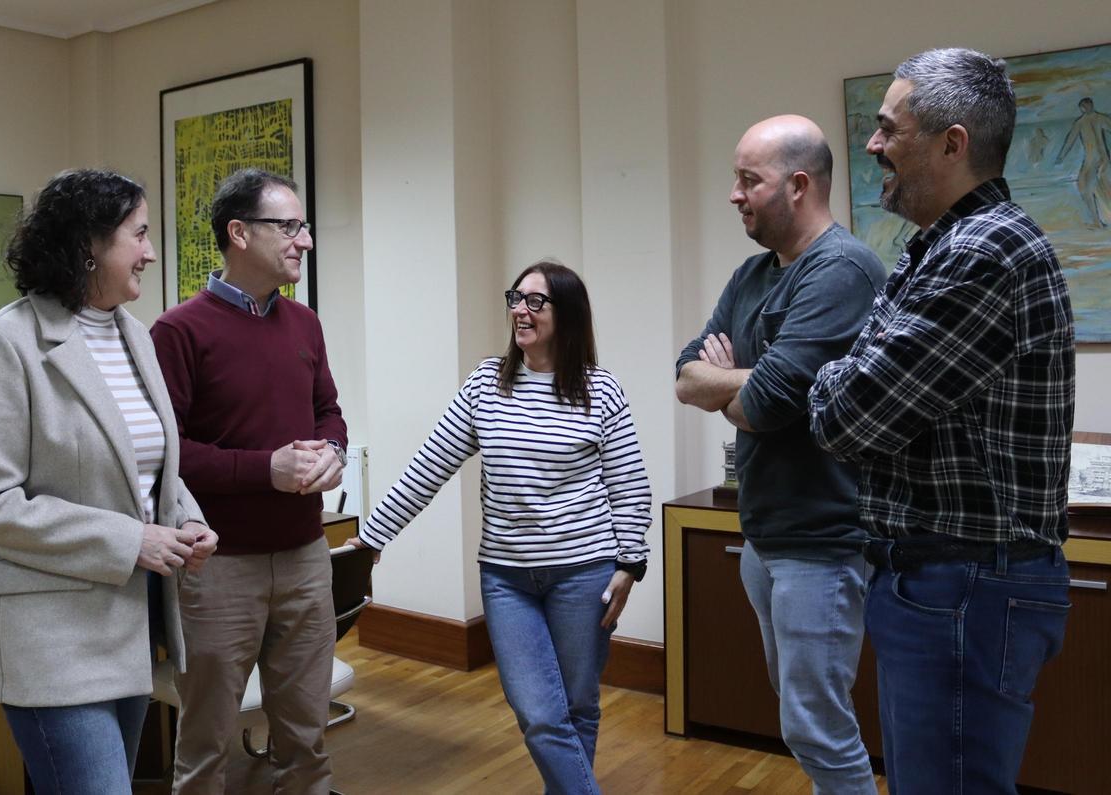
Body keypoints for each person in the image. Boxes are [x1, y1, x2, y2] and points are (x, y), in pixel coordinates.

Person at [809, 48, 1075, 793]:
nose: (870, 145)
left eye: (888, 128)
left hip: (964, 584)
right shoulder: (938, 245)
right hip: (943, 582)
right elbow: (854, 382)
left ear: (952, 143)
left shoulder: (985, 251)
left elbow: (847, 414)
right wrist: (845, 372)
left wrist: (835, 374)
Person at [0, 169, 216, 795]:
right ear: (89, 245)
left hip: (130, 629)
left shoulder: (135, 337)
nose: (150, 251)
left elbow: (151, 471)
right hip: (53, 642)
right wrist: (132, 542)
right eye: (139, 235)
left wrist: (188, 519)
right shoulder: (3, 346)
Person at [351, 260, 651, 793]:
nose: (520, 309)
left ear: (569, 314)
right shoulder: (486, 385)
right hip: (507, 578)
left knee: (578, 706)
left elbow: (629, 484)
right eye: (516, 297)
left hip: (585, 573)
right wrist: (374, 537)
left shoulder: (600, 390)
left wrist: (630, 563)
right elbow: (430, 465)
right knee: (540, 713)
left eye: (536, 301)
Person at [675, 115, 886, 795]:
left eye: (748, 180)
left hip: (821, 540)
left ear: (798, 186)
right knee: (803, 717)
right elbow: (686, 374)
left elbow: (764, 403)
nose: (734, 194)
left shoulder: (844, 269)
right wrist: (746, 386)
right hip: (766, 533)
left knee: (814, 725)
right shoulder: (753, 274)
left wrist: (735, 385)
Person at [151, 167, 346, 794]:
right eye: (288, 226)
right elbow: (166, 453)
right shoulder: (179, 330)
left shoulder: (304, 323)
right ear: (239, 233)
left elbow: (328, 412)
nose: (304, 240)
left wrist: (334, 453)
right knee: (206, 743)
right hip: (219, 566)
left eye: (303, 227)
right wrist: (267, 469)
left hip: (304, 555)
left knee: (307, 737)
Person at [1055, 96, 1111, 227]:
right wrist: (1061, 156)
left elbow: (1070, 141)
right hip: (1096, 158)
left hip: (1096, 159)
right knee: (1086, 187)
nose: (1086, 107)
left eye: (1086, 105)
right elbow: (1070, 141)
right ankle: (1097, 221)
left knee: (1088, 187)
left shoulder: (1089, 120)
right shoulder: (1086, 121)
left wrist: (1061, 157)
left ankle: (1098, 221)